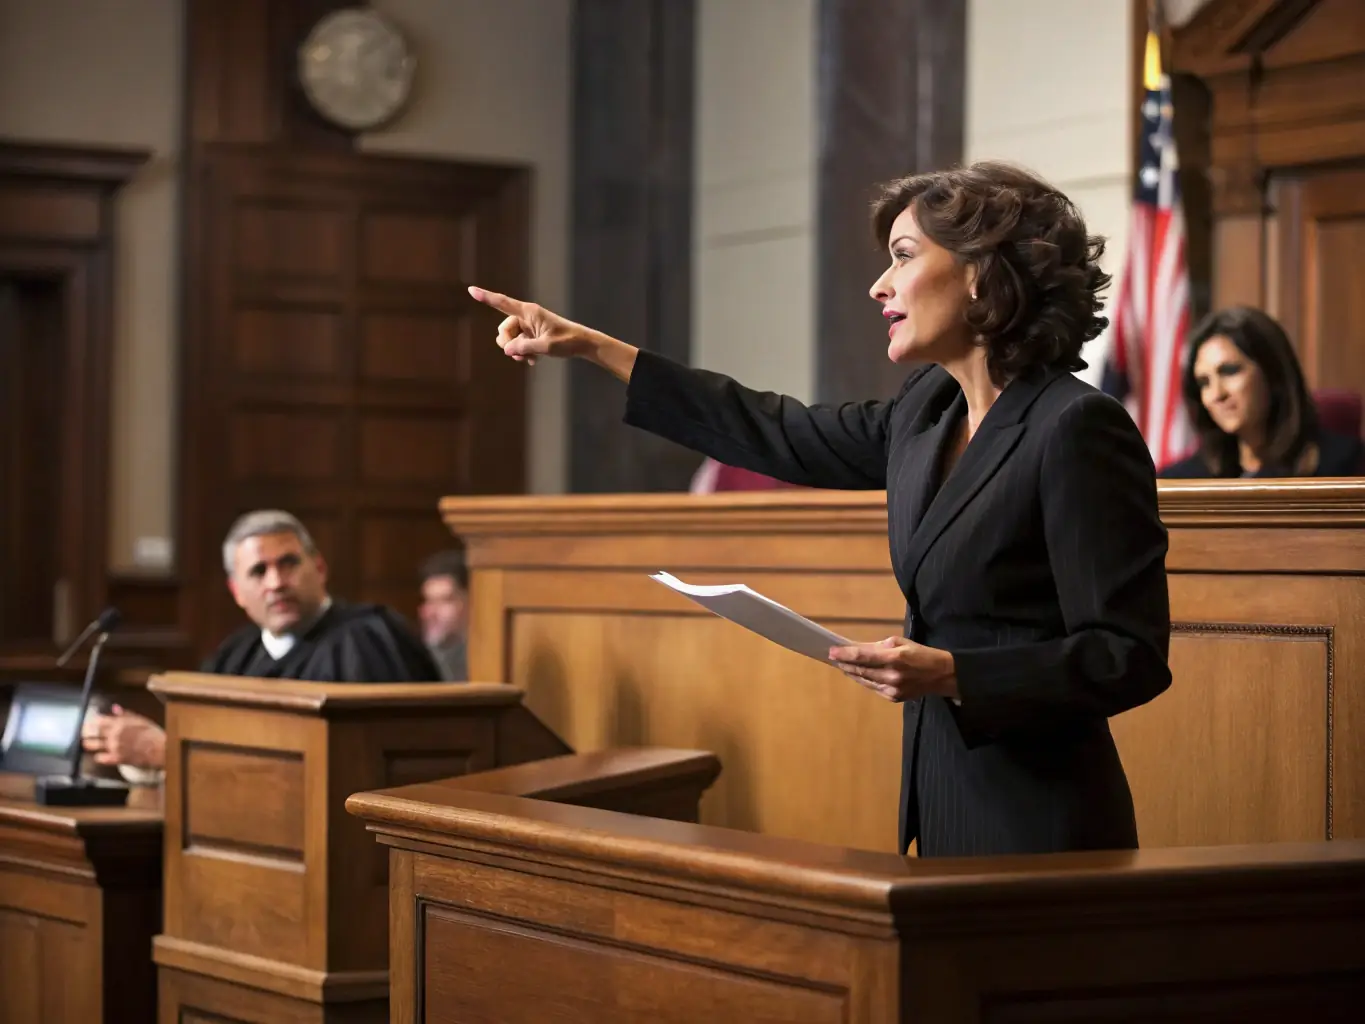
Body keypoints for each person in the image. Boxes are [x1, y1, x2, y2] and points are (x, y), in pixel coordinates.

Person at [467, 161, 1172, 858]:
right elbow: (774, 430)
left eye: (903, 256)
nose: (879, 285)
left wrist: (956, 675)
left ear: (981, 274)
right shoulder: (926, 412)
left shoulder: (1075, 426)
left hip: (1044, 823)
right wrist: (592, 347)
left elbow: (1127, 656)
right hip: (945, 803)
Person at [84, 509, 441, 776]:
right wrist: (146, 750)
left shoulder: (369, 639)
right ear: (237, 592)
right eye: (259, 571)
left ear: (319, 569)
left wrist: (167, 753)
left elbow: (364, 766)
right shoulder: (233, 656)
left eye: (288, 564)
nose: (276, 583)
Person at [1159, 306, 1364, 478]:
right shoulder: (1179, 480)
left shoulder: (1347, 464)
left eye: (1230, 371)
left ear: (1272, 373)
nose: (1217, 394)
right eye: (1204, 382)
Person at [418, 548, 470, 681]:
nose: (430, 612)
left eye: (445, 600)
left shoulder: (491, 657)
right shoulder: (415, 659)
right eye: (428, 601)